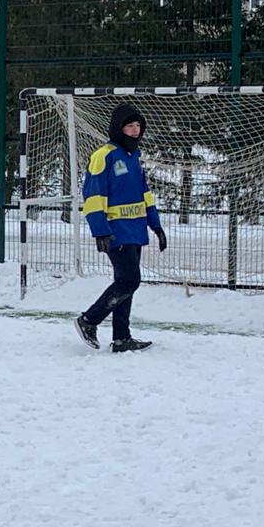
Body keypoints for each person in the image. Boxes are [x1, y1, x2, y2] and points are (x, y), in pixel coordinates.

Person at [73, 104, 167, 353]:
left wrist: (156, 226)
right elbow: (93, 196)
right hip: (115, 230)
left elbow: (145, 195)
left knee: (126, 283)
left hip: (135, 231)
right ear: (118, 128)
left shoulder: (133, 157)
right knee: (129, 280)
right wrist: (100, 230)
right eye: (130, 126)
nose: (135, 130)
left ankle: (122, 338)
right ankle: (88, 320)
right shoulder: (104, 155)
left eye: (138, 126)